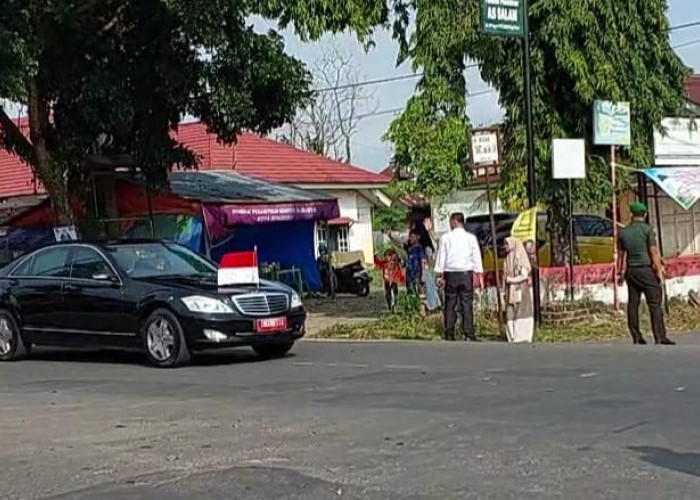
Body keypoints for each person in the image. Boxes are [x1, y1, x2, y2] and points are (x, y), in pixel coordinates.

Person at [617, 201, 675, 345]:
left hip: (631, 271)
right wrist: (659, 271)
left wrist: (620, 273)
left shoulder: (623, 232)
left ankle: (636, 336)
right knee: (655, 303)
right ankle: (659, 336)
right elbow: (653, 252)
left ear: (631, 215)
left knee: (633, 303)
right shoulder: (647, 230)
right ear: (645, 214)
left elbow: (620, 255)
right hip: (646, 270)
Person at [435, 212, 484, 341]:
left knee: (450, 303)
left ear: (455, 222)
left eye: (451, 222)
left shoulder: (446, 237)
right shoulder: (471, 238)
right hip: (466, 273)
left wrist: (440, 274)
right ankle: (468, 333)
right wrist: (478, 273)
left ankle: (449, 333)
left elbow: (442, 256)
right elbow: (476, 256)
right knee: (466, 304)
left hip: (450, 273)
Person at [503, 236, 534, 343]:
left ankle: (522, 336)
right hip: (510, 290)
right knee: (510, 312)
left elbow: (524, 275)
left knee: (521, 312)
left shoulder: (520, 257)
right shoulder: (508, 258)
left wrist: (512, 280)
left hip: (520, 289)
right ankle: (511, 335)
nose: (505, 246)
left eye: (507, 244)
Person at [405, 229, 427, 295]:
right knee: (411, 291)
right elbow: (399, 244)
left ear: (418, 237)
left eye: (412, 237)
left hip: (417, 274)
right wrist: (390, 236)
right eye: (409, 237)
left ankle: (421, 304)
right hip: (409, 274)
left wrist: (423, 274)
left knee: (419, 291)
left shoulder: (419, 248)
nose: (410, 239)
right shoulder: (409, 248)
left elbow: (422, 260)